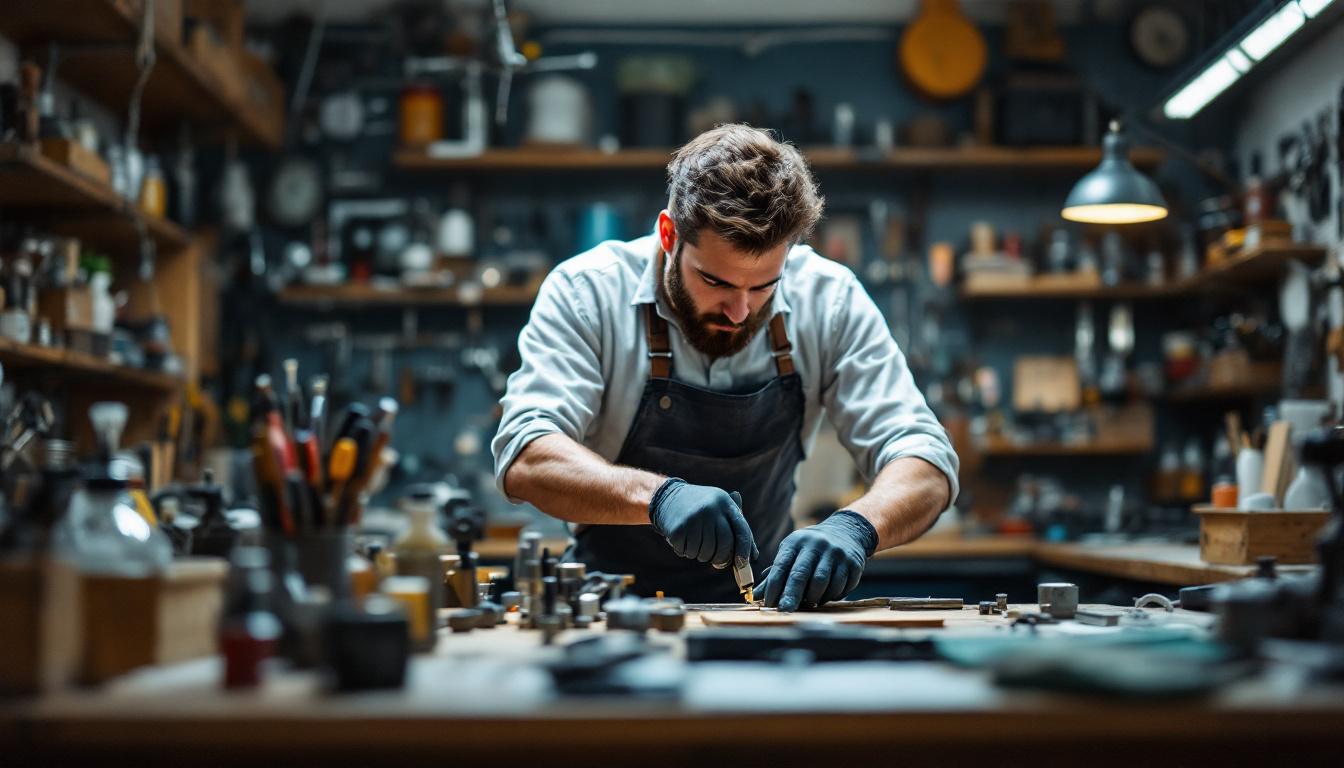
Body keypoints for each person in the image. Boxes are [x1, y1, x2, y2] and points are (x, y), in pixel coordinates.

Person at [492, 124, 958, 610]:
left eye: (763, 287)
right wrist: (658, 497)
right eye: (716, 281)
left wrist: (859, 526)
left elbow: (927, 460)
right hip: (610, 612)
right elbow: (527, 455)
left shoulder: (830, 299)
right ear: (670, 234)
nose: (740, 311)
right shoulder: (588, 294)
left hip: (765, 610)